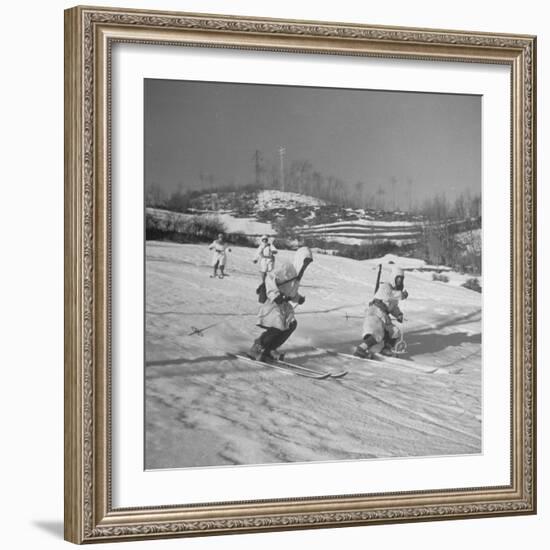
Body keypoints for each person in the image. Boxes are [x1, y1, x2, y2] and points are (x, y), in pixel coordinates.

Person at [249, 247, 313, 362]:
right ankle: (257, 347)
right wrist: (275, 295)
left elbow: (291, 291)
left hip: (283, 304)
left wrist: (298, 298)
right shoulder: (287, 268)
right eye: (305, 261)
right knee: (278, 325)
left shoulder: (298, 274)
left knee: (291, 324)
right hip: (274, 302)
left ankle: (270, 349)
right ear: (299, 259)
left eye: (308, 262)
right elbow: (270, 278)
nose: (306, 264)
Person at [354, 265, 409, 359]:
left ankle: (386, 349)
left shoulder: (395, 292)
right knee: (377, 334)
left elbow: (393, 307)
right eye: (398, 278)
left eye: (401, 278)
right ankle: (361, 349)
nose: (399, 280)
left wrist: (398, 314)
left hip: (383, 316)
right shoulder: (385, 286)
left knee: (395, 332)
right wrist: (401, 295)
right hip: (375, 312)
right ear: (393, 277)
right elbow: (388, 295)